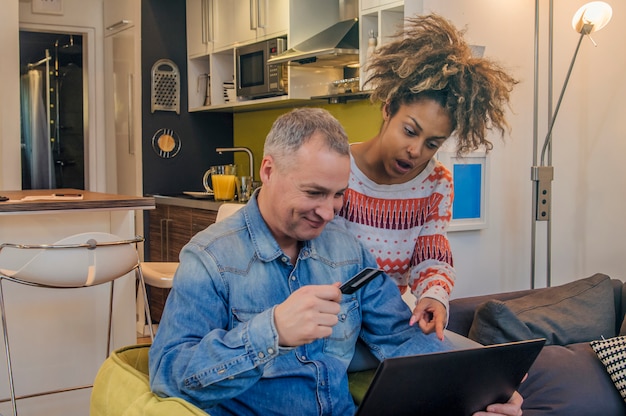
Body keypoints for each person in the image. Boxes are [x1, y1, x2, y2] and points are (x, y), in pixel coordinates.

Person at [149, 108, 523, 415]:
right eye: (314, 193)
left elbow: (399, 338)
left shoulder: (348, 252)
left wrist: (484, 389)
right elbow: (168, 374)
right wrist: (272, 331)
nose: (329, 212)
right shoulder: (209, 258)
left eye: (339, 195)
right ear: (268, 170)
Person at [339, 14, 518, 340]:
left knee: (494, 381)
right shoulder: (338, 167)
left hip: (387, 323)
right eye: (409, 131)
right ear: (388, 108)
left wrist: (433, 295)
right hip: (330, 320)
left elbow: (431, 255)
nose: (416, 151)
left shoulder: (436, 184)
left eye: (432, 143)